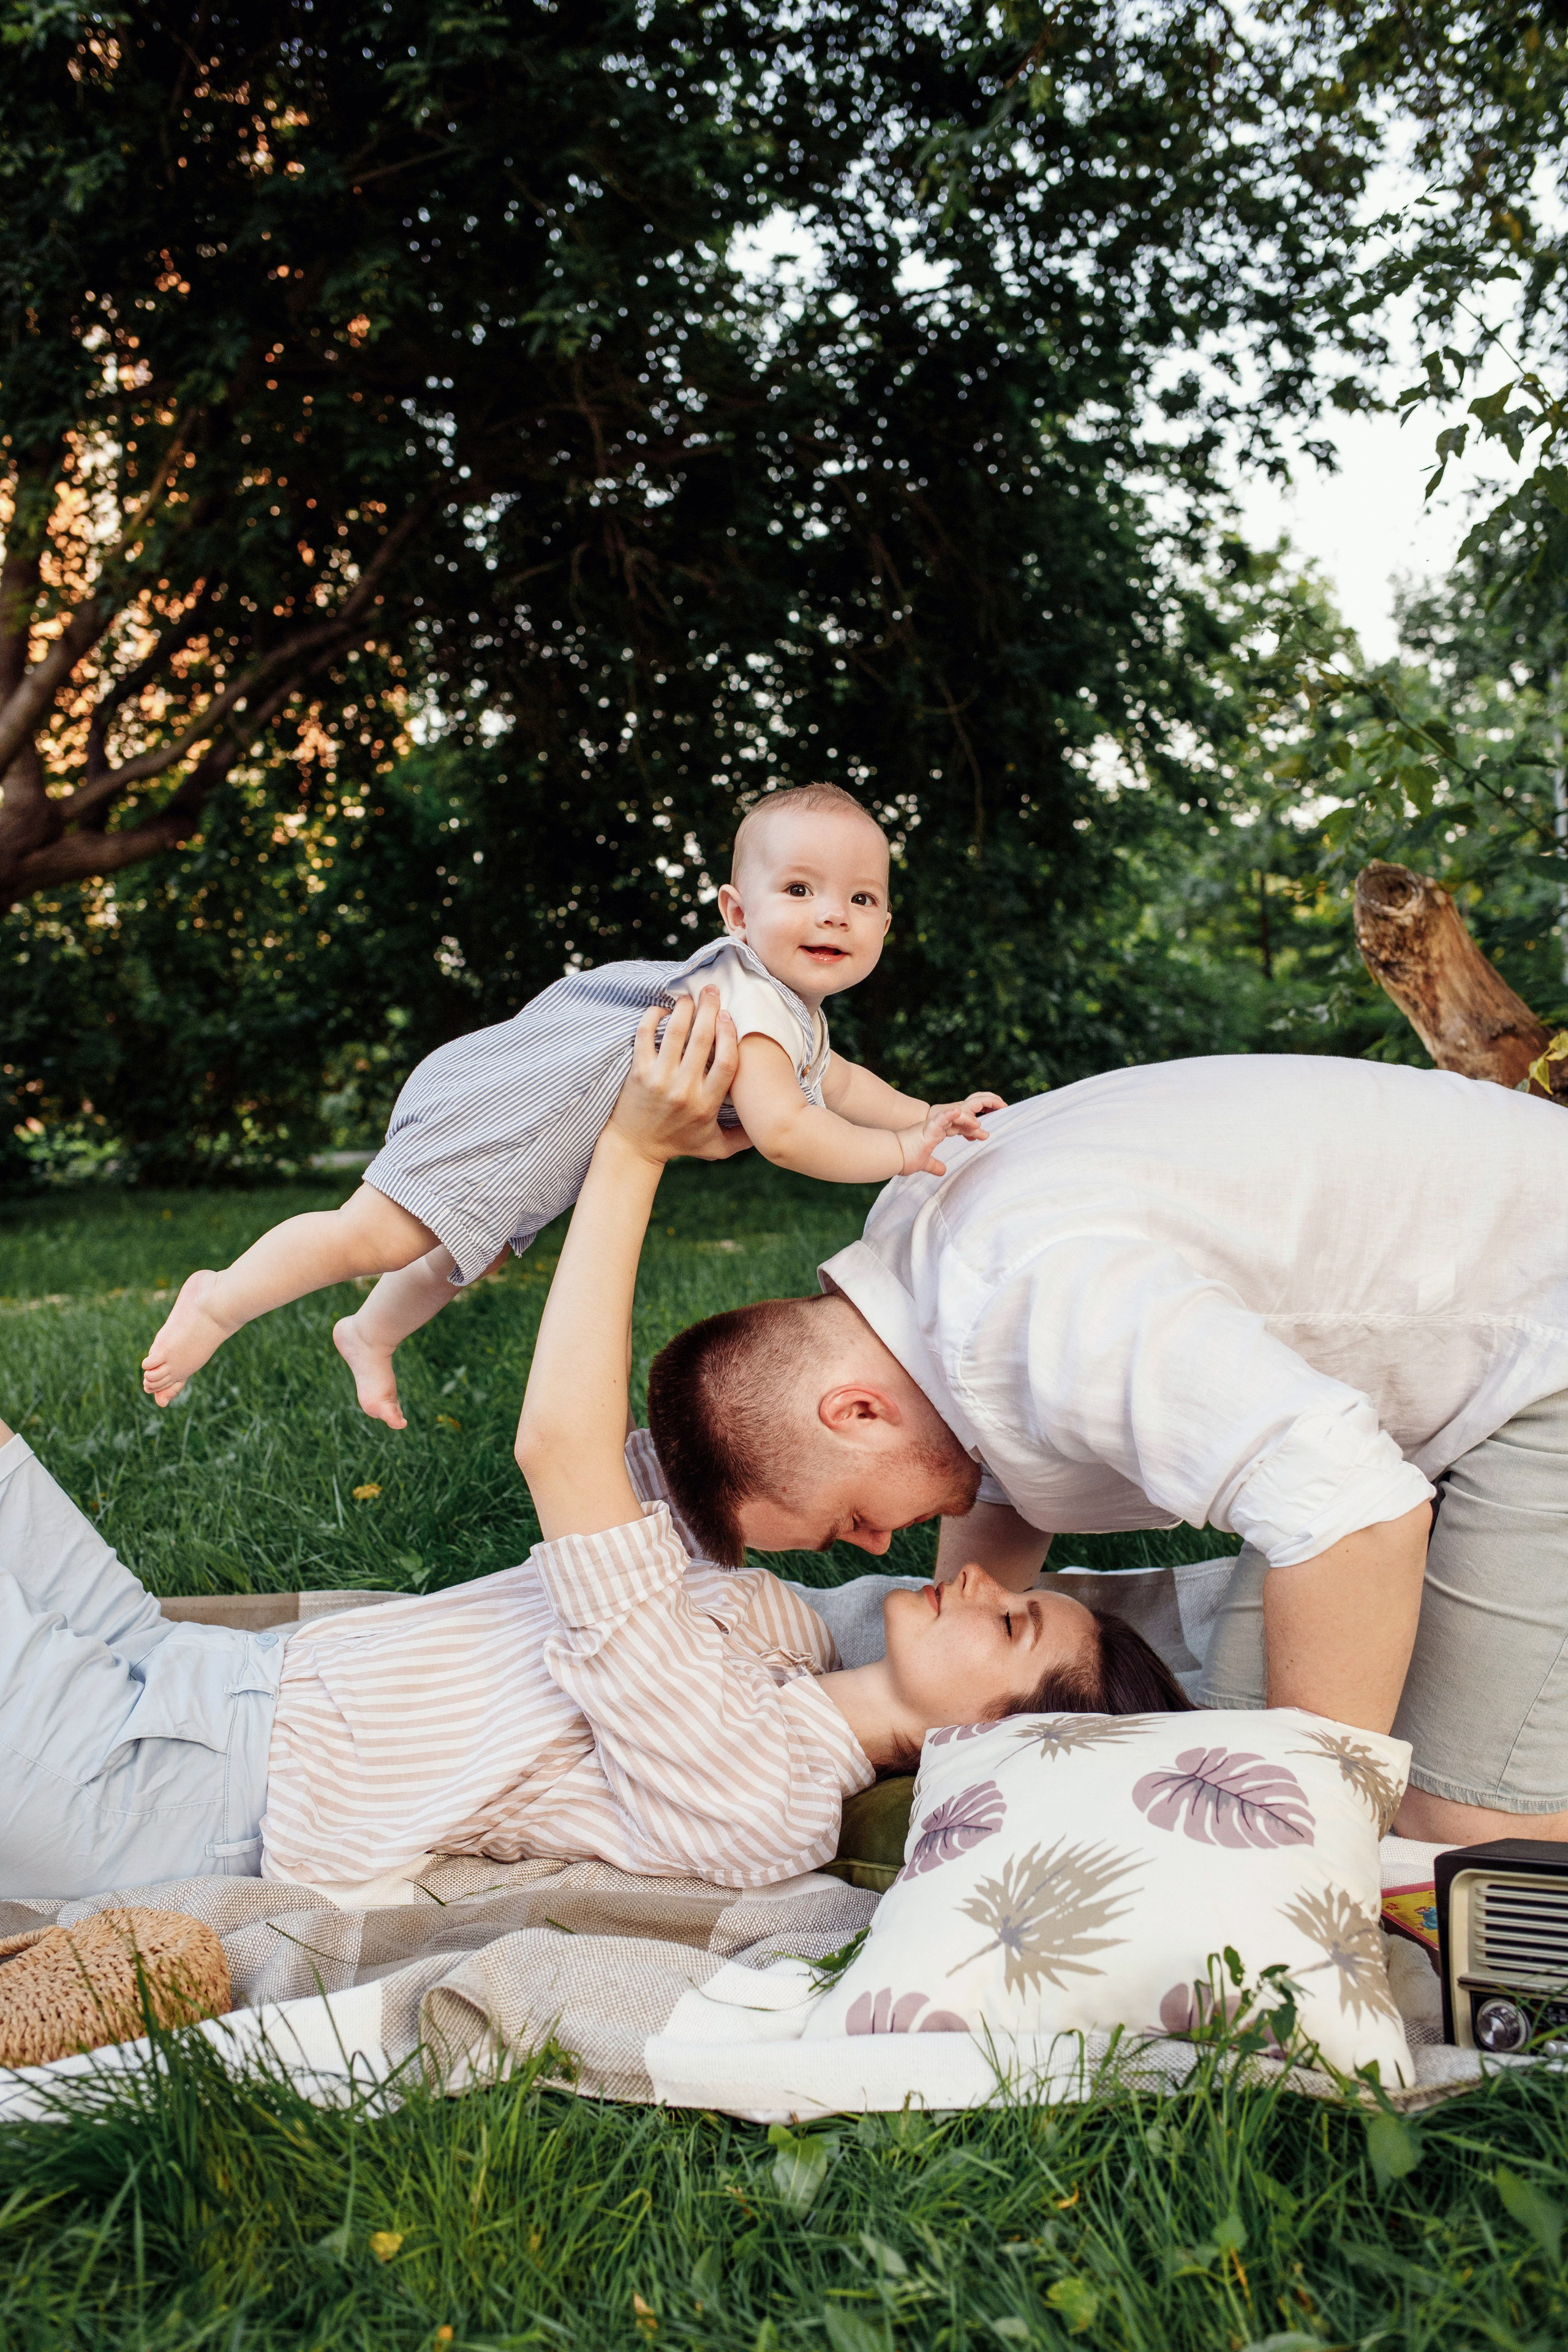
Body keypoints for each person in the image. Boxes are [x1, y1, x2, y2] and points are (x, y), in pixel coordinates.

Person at [0, 994, 1185, 1905]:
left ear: (988, 1745)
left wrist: (634, 1154)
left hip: (172, 1795)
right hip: (192, 1671)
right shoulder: (780, 1630)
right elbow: (715, 1427)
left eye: (1018, 1626)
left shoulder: (768, 1806)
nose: (985, 1578)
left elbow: (563, 1453)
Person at [645, 1052, 1568, 1848]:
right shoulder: (914, 1257)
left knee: (1455, 1828)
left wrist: (1304, 1855)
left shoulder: (1049, 1304)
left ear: (854, 1412)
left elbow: (1357, 1515)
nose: (881, 1549)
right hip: (1453, 1321)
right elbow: (1001, 1478)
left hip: (1542, 1326)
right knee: (1221, 1753)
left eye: (850, 1521)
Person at [140, 784, 1002, 1425]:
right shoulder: (750, 1001)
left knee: (464, 1254)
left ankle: (369, 1333)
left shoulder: (792, 1014)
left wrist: (927, 1112)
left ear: (886, 924)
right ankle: (218, 1299)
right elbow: (787, 1130)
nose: (834, 916)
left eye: (861, 899)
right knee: (377, 1235)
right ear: (738, 913)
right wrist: (899, 1154)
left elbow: (843, 1083)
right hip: (503, 1112)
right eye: (802, 891)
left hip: (543, 1140)